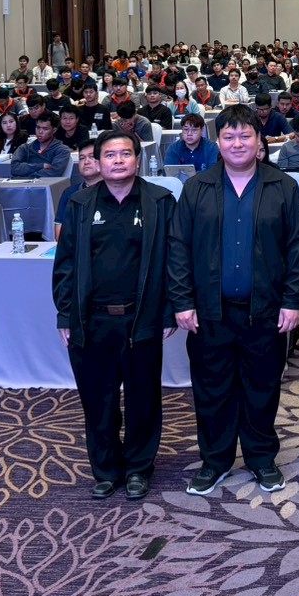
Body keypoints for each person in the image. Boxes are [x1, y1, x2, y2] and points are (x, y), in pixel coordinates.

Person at [168, 104, 299, 496]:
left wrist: (293, 300)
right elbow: (178, 248)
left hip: (265, 311)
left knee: (262, 388)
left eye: (245, 135)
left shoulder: (283, 187)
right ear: (218, 142)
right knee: (212, 391)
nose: (237, 143)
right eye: (229, 136)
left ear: (260, 141)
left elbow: (298, 248)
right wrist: (182, 301)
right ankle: (215, 461)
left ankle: (262, 459)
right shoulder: (197, 188)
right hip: (210, 312)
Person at [53, 130, 177, 500]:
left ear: (138, 159)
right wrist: (65, 315)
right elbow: (65, 265)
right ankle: (106, 469)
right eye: (109, 155)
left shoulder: (160, 201)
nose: (118, 161)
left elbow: (175, 261)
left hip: (142, 318)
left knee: (143, 398)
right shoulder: (80, 203)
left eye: (125, 154)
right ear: (97, 161)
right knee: (98, 399)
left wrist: (169, 311)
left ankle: (139, 468)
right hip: (92, 320)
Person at [55, 140, 103, 240]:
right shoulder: (70, 193)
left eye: (92, 157)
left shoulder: (115, 191)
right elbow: (60, 233)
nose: (86, 162)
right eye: (82, 158)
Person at [10, 112, 71, 177]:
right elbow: (14, 169)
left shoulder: (62, 150)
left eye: (45, 129)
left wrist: (28, 177)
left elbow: (54, 172)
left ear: (54, 130)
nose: (40, 132)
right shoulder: (24, 148)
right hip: (22, 183)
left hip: (46, 183)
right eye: (38, 127)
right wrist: (41, 166)